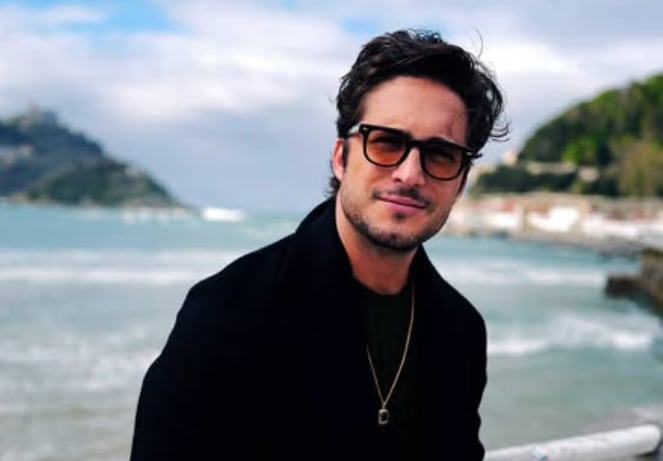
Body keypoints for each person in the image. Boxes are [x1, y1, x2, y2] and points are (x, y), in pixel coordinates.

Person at [130, 28, 508, 461]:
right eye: (386, 142)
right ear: (341, 157)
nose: (409, 174)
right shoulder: (229, 312)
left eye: (440, 154)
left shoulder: (460, 331)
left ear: (460, 184)